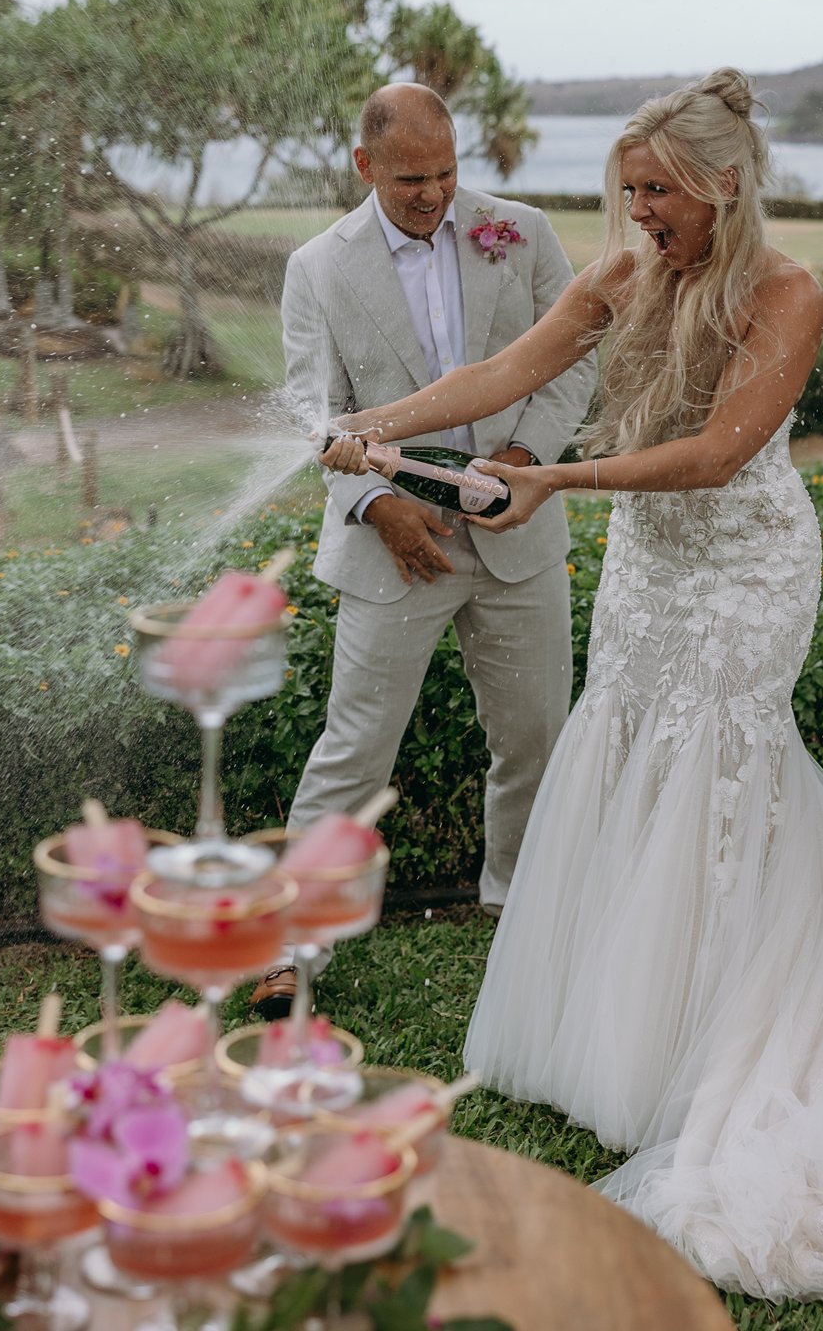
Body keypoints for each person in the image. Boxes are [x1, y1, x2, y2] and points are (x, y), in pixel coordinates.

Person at [322, 69, 823, 1329]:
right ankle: (629, 1039)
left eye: (661, 193)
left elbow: (716, 454)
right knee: (626, 756)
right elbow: (500, 372)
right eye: (627, 189)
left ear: (725, 186)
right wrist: (374, 421)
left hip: (743, 566)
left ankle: (728, 1032)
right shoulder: (628, 271)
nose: (639, 213)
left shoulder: (789, 291)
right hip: (650, 570)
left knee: (722, 769)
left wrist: (561, 482)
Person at [260, 82, 595, 1015]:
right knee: (356, 747)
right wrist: (376, 503)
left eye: (447, 172)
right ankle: (287, 944)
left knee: (533, 740)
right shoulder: (318, 268)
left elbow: (578, 363)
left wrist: (526, 462)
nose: (434, 193)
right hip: (391, 552)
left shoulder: (520, 232)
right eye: (412, 177)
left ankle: (520, 920)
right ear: (365, 166)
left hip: (518, 539)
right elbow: (310, 410)